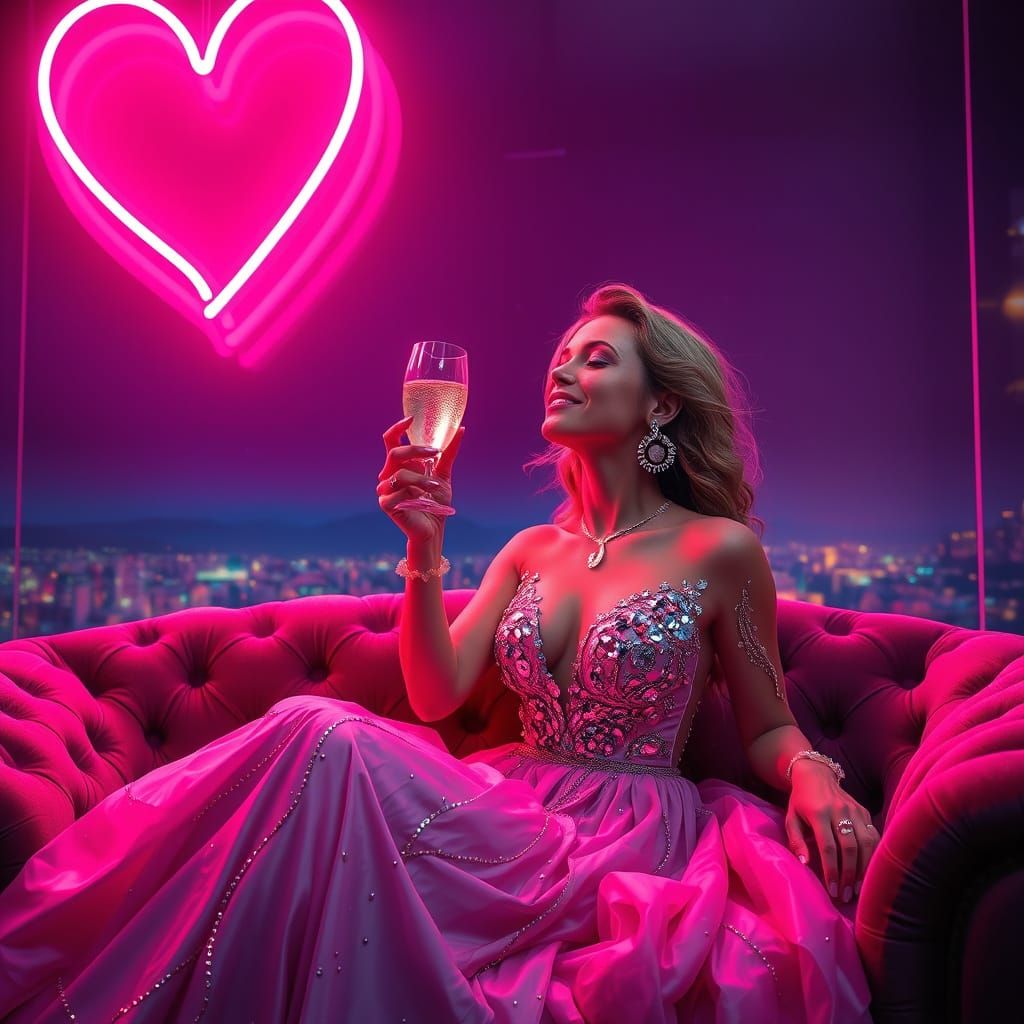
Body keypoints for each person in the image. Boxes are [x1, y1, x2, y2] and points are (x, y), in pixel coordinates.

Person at [0, 283, 876, 1023]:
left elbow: (768, 726)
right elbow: (434, 696)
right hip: (513, 802)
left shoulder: (718, 550)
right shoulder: (533, 548)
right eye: (562, 357)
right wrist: (423, 541)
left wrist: (812, 772)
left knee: (319, 730)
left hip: (626, 833)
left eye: (597, 359)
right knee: (317, 735)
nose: (564, 370)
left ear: (663, 404)